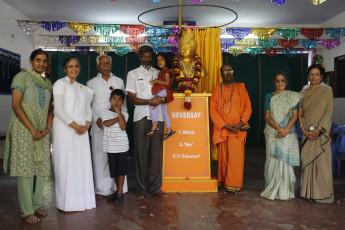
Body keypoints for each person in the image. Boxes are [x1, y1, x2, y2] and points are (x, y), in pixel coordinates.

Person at [3, 49, 52, 223]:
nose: (41, 63)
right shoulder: (21, 77)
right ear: (31, 61)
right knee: (26, 170)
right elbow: (16, 105)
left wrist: (47, 127)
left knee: (40, 168)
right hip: (24, 130)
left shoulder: (47, 83)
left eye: (44, 61)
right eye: (38, 60)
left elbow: (50, 109)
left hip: (42, 131)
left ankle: (36, 204)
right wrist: (31, 128)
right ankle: (26, 210)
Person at [51, 56, 96, 211]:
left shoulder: (83, 88)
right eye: (70, 66)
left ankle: (81, 201)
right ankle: (65, 203)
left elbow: (88, 109)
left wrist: (87, 124)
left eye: (76, 66)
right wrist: (76, 126)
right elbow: (59, 110)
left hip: (81, 132)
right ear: (65, 69)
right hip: (65, 131)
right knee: (64, 165)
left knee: (80, 165)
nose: (74, 69)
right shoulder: (59, 84)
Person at [126, 45, 166, 199]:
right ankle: (141, 188)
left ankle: (156, 187)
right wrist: (151, 101)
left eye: (150, 56)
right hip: (141, 117)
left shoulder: (159, 73)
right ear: (139, 57)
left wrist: (161, 99)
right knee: (141, 154)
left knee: (157, 155)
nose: (147, 59)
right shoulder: (133, 74)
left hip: (159, 118)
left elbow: (166, 94)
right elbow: (132, 98)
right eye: (144, 56)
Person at [86, 54, 128, 200]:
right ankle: (102, 189)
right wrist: (95, 119)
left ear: (111, 65)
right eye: (102, 63)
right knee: (100, 157)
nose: (105, 65)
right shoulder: (91, 83)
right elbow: (88, 106)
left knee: (117, 158)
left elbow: (124, 105)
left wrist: (122, 119)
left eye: (107, 63)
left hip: (116, 126)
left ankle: (118, 189)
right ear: (97, 66)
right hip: (98, 127)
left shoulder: (119, 81)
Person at [260, 72, 302, 200]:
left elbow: (295, 116)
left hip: (288, 132)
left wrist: (285, 130)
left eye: (282, 80)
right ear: (274, 83)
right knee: (272, 159)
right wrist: (279, 129)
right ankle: (272, 188)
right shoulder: (269, 96)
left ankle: (286, 191)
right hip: (273, 132)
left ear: (286, 82)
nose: (280, 83)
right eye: (277, 81)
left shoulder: (292, 96)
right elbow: (267, 117)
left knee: (286, 161)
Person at [210, 64, 252, 194]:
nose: (228, 73)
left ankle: (234, 184)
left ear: (233, 73)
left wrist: (240, 123)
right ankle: (223, 182)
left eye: (230, 70)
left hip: (237, 130)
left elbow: (248, 107)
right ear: (221, 74)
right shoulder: (216, 90)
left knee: (235, 159)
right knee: (223, 158)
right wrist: (224, 125)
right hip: (223, 129)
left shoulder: (241, 88)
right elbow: (213, 110)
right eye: (225, 71)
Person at [298, 64, 334, 204]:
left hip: (320, 132)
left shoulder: (326, 91)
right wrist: (304, 130)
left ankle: (323, 194)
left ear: (322, 76)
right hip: (307, 132)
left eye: (317, 74)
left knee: (322, 162)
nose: (314, 77)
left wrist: (319, 129)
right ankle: (308, 192)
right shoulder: (302, 93)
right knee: (307, 161)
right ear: (308, 76)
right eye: (311, 74)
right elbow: (300, 114)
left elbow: (329, 112)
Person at [101, 89, 131, 205]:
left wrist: (119, 114)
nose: (116, 102)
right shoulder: (104, 113)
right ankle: (119, 192)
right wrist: (118, 117)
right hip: (110, 147)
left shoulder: (125, 114)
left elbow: (123, 127)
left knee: (122, 171)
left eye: (119, 100)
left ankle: (119, 193)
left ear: (123, 102)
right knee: (114, 171)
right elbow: (107, 124)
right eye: (114, 99)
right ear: (110, 100)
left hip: (122, 147)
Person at [147, 52, 175, 140]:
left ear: (166, 60)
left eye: (162, 60)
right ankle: (169, 129)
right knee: (164, 111)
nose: (160, 62)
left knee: (153, 103)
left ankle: (155, 125)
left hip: (165, 91)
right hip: (165, 92)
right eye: (158, 60)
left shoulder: (167, 71)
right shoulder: (163, 71)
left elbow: (167, 83)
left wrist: (156, 81)